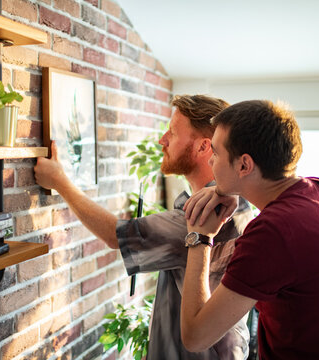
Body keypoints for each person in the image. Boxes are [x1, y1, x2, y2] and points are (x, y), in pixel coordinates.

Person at [34, 94, 254, 360]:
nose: (163, 140)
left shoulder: (206, 214)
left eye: (172, 133)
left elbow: (116, 235)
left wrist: (60, 181)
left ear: (203, 147)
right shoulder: (236, 203)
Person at [181, 100, 319, 359]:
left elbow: (195, 336)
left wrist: (200, 237)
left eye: (216, 152)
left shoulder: (272, 233)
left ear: (244, 165)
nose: (211, 160)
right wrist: (234, 188)